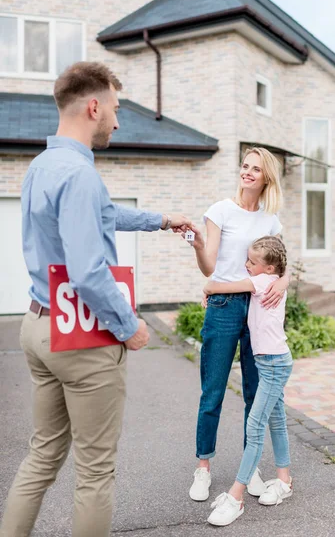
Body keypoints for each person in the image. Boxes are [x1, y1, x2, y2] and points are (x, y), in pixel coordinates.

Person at [0, 62, 191, 537]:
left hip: (38, 326)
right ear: (93, 106)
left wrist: (161, 220)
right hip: (83, 336)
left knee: (43, 454)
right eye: (115, 109)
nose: (118, 120)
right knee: (95, 471)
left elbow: (103, 215)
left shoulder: (43, 166)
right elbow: (88, 272)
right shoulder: (80, 175)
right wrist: (130, 325)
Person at [186, 147, 289, 503]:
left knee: (253, 394)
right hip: (224, 304)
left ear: (266, 177)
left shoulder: (270, 220)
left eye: (255, 169)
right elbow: (208, 266)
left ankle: (251, 468)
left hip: (259, 307)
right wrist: (198, 246)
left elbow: (284, 263)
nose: (247, 172)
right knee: (212, 390)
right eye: (244, 166)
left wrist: (283, 282)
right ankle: (203, 467)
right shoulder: (220, 211)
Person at [203, 236, 293, 526]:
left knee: (255, 426)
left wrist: (208, 287)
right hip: (271, 362)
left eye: (252, 262)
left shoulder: (264, 283)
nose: (246, 265)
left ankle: (236, 496)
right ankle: (284, 481)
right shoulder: (268, 279)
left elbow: (220, 286)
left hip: (275, 365)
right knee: (276, 420)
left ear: (268, 270)